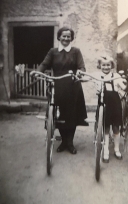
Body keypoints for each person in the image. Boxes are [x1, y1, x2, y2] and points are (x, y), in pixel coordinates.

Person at [37, 26, 88, 154]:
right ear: (59, 37)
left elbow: (82, 66)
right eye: (63, 36)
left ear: (71, 38)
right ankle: (64, 141)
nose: (66, 38)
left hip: (73, 86)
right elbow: (44, 64)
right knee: (59, 115)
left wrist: (80, 72)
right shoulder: (53, 51)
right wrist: (38, 72)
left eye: (68, 36)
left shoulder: (76, 51)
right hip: (58, 86)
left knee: (72, 115)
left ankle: (69, 143)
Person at [95, 55, 126, 163]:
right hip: (103, 104)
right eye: (103, 65)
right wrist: (98, 89)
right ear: (100, 66)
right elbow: (96, 86)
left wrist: (126, 84)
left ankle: (116, 149)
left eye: (108, 65)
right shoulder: (98, 76)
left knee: (116, 127)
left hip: (115, 103)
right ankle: (106, 150)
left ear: (111, 66)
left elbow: (123, 86)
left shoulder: (116, 75)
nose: (106, 67)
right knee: (106, 127)